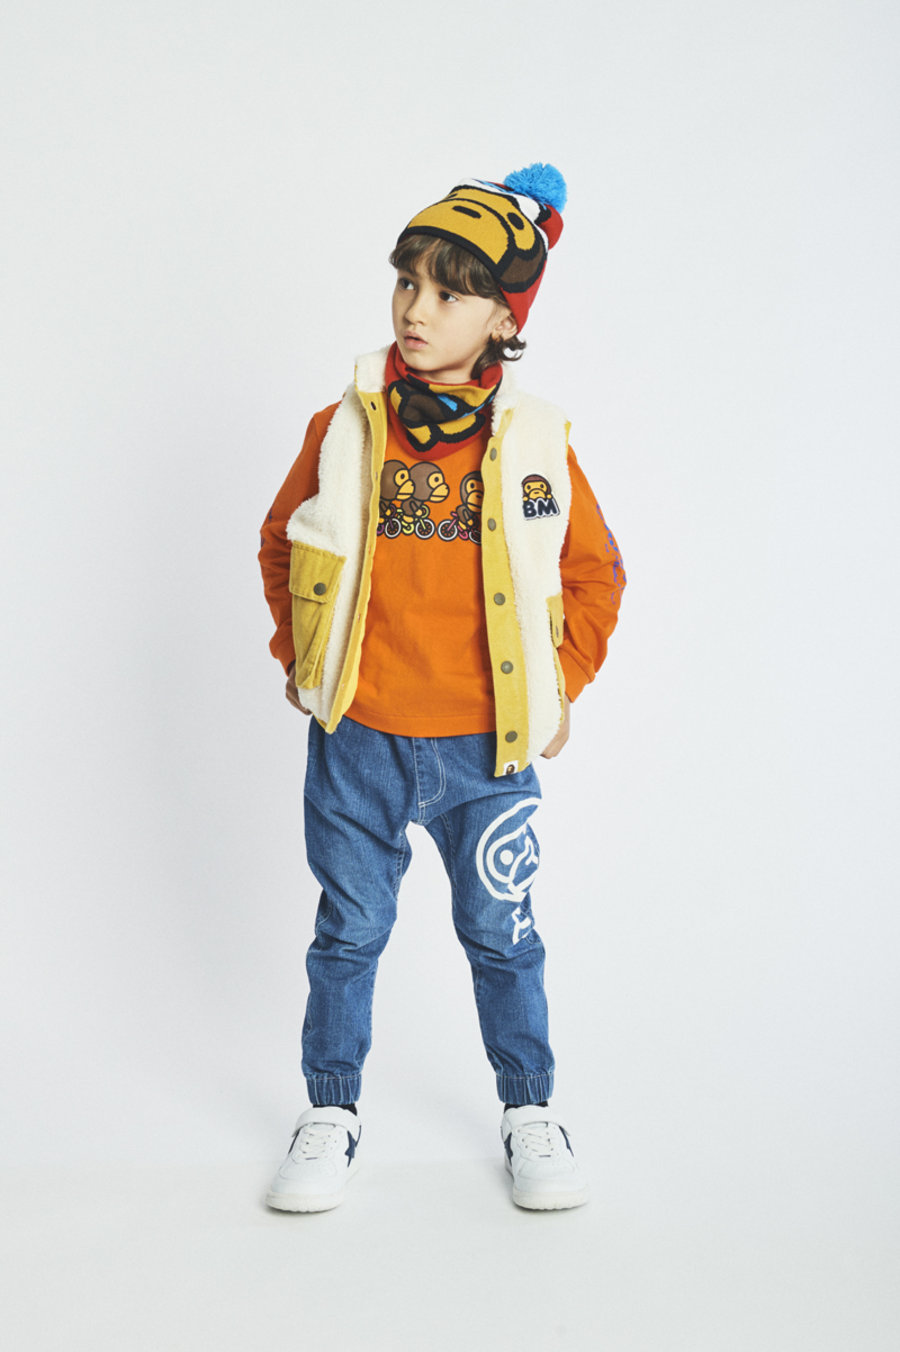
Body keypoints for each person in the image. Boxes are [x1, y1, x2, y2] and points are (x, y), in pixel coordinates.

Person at [258, 163, 625, 1213]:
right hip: (359, 738)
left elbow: (597, 573)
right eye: (406, 283)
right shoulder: (345, 425)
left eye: (449, 293)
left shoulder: (537, 440)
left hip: (488, 750)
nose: (416, 310)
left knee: (505, 938)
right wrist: (300, 657)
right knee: (347, 933)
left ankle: (529, 1107)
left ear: (503, 317)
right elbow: (282, 541)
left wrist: (560, 688)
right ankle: (331, 1108)